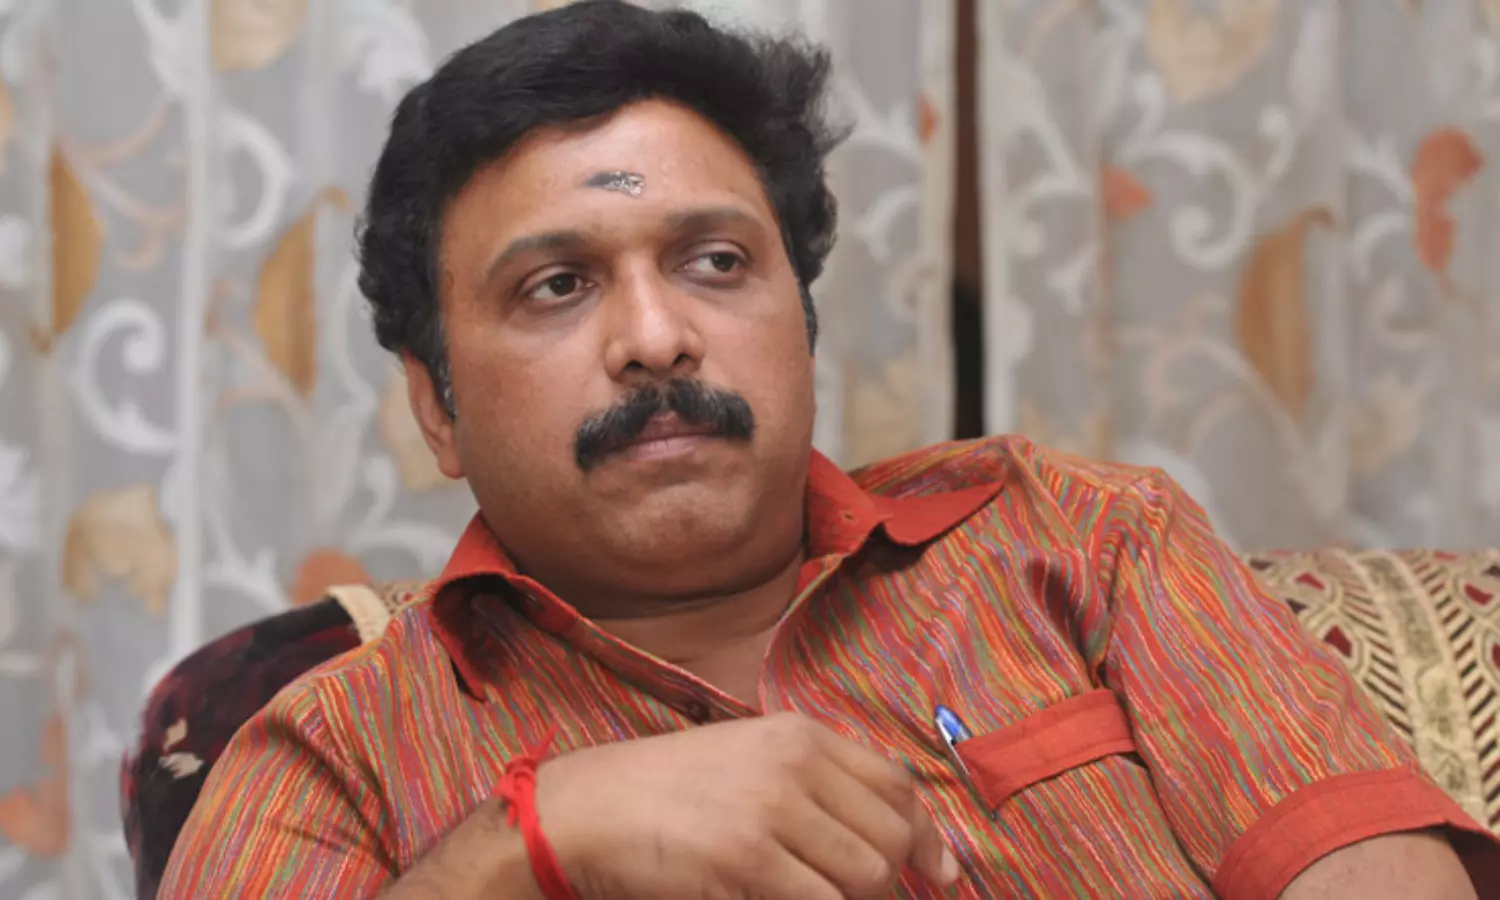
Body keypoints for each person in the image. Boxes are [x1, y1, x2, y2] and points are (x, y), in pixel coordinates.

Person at [159, 2, 1500, 897]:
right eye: (556, 286)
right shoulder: (330, 755)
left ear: (799, 325)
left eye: (715, 261)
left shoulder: (1083, 538)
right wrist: (532, 846)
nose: (657, 338)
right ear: (436, 406)